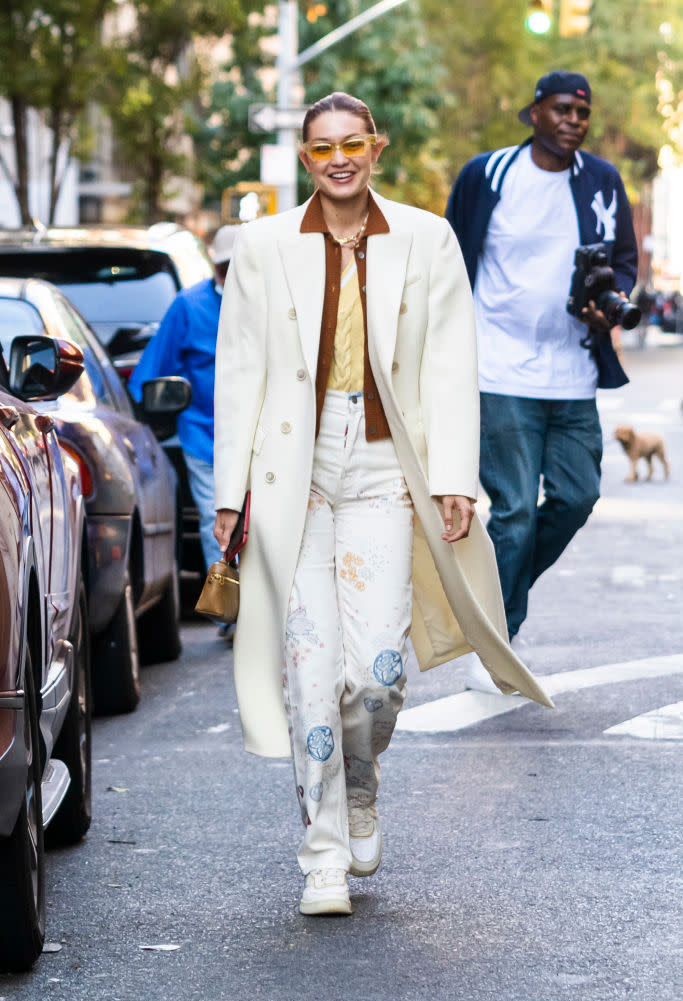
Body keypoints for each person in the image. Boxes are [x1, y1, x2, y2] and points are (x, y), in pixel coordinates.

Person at [213, 92, 551, 917]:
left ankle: (360, 778)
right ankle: (321, 853)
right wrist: (230, 497)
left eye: (352, 142)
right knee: (307, 671)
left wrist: (450, 478)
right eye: (322, 147)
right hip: (292, 472)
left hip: (382, 468)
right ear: (304, 159)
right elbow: (241, 367)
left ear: (375, 148)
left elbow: (447, 360)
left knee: (374, 676)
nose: (338, 158)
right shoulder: (262, 247)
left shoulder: (425, 238)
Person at [445, 70, 638, 689]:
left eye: (582, 113)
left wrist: (610, 300)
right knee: (515, 513)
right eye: (561, 110)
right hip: (499, 367)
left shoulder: (603, 181)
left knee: (579, 496)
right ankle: (496, 646)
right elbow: (450, 257)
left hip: (573, 370)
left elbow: (624, 261)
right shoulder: (489, 175)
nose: (573, 121)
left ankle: (495, 607)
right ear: (533, 113)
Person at [129, 224, 241, 582]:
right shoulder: (189, 306)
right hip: (203, 436)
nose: (230, 273)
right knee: (216, 520)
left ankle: (258, 613)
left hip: (261, 436)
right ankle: (229, 614)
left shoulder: (271, 302)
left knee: (264, 525)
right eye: (225, 266)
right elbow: (151, 372)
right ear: (215, 266)